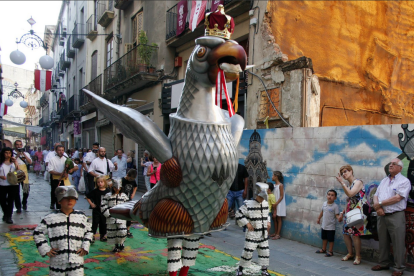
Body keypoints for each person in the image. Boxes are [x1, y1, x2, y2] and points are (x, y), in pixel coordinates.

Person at [33, 186, 93, 275]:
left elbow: (89, 231)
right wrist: (45, 249)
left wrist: (85, 246)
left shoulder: (82, 217)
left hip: (76, 259)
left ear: (76, 200)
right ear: (59, 201)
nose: (70, 201)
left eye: (72, 198)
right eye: (66, 198)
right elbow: (37, 233)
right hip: (57, 260)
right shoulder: (50, 218)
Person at [371, 158, 411, 276]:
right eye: (390, 163)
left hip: (396, 215)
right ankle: (383, 263)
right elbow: (376, 195)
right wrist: (378, 208)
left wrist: (381, 204)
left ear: (400, 168)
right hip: (382, 215)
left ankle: (399, 268)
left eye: (394, 164)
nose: (391, 165)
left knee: (398, 242)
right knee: (383, 240)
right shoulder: (384, 180)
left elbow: (398, 198)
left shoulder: (404, 181)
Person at [235, 182, 271, 276]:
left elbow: (267, 215)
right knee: (248, 252)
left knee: (265, 252)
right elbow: (238, 214)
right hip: (252, 234)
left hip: (263, 234)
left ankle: (264, 270)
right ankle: (240, 269)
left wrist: (268, 222)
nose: (263, 199)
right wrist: (246, 223)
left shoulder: (265, 204)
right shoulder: (249, 204)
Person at [336, 164, 367, 265]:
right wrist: (342, 213)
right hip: (349, 212)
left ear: (351, 171)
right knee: (346, 233)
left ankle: (358, 256)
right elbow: (349, 201)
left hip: (357, 212)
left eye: (345, 171)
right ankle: (350, 253)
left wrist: (341, 183)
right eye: (342, 173)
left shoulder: (358, 182)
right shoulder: (349, 185)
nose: (343, 174)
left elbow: (350, 194)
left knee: (355, 234)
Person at [101, 179, 129, 252]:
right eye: (115, 188)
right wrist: (108, 214)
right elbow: (103, 205)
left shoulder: (124, 196)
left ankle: (121, 243)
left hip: (121, 218)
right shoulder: (108, 195)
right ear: (113, 187)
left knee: (122, 231)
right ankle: (116, 245)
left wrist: (125, 214)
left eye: (119, 188)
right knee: (113, 232)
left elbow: (128, 205)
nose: (117, 189)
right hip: (111, 218)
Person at [48, 145, 78, 209]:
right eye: (59, 150)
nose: (61, 152)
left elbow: (76, 167)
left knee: (65, 194)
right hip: (56, 179)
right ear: (56, 151)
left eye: (62, 150)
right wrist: (60, 174)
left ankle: (64, 207)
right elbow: (50, 170)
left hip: (65, 180)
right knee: (57, 194)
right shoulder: (52, 159)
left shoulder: (67, 159)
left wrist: (71, 170)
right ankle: (57, 207)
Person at [316, 190, 342, 257]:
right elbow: (322, 212)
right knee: (324, 238)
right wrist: (319, 218)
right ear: (326, 196)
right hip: (324, 225)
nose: (330, 196)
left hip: (331, 227)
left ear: (335, 198)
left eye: (332, 195)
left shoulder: (335, 206)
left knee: (330, 239)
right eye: (329, 194)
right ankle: (323, 249)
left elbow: (337, 215)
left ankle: (330, 251)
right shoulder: (324, 204)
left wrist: (339, 218)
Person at [86, 175, 110, 243]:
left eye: (101, 182)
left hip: (104, 210)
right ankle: (92, 236)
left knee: (103, 223)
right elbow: (87, 197)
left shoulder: (108, 191)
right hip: (96, 210)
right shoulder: (95, 191)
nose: (100, 183)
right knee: (95, 223)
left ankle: (102, 236)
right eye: (98, 182)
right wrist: (91, 204)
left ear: (104, 182)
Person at [0, 147, 20, 224]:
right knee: (2, 200)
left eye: (9, 153)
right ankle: (5, 213)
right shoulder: (1, 162)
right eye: (6, 153)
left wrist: (16, 163)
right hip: (2, 183)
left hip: (13, 183)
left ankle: (9, 216)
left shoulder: (13, 162)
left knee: (11, 200)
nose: (7, 155)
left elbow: (18, 171)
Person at [13, 140, 32, 212]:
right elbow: (12, 161)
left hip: (24, 173)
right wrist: (17, 154)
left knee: (26, 189)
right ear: (15, 145)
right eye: (17, 145)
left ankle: (24, 202)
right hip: (15, 172)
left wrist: (23, 153)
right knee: (16, 191)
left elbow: (30, 162)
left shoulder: (26, 153)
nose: (19, 146)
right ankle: (18, 206)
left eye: (20, 145)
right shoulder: (13, 153)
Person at [121, 169, 138, 238]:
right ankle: (122, 229)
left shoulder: (133, 181)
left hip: (129, 199)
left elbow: (135, 186)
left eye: (132, 179)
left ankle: (128, 230)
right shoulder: (122, 180)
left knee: (129, 215)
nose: (130, 180)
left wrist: (133, 193)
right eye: (130, 179)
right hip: (122, 200)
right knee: (122, 214)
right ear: (127, 175)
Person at [272, 171, 286, 240]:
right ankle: (275, 232)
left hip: (279, 204)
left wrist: (276, 203)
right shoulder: (274, 185)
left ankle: (278, 234)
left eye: (273, 175)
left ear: (276, 177)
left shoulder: (280, 185)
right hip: (275, 203)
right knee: (274, 218)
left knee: (278, 218)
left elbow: (281, 196)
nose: (272, 177)